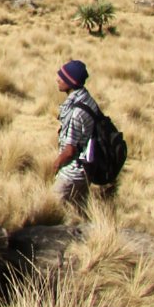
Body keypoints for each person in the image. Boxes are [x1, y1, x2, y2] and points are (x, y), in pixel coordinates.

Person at [52, 59, 100, 208]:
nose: (57, 80)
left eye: (62, 77)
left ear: (71, 82)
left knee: (54, 207)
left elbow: (70, 150)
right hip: (85, 170)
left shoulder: (76, 113)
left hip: (71, 174)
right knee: (79, 213)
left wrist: (55, 165)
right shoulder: (87, 99)